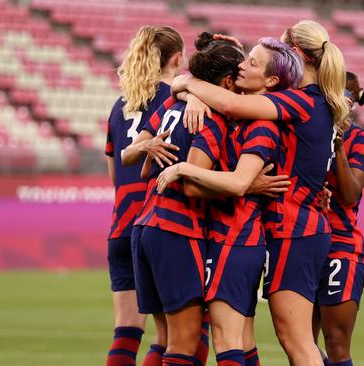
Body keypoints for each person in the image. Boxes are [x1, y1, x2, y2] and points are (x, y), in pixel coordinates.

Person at [171, 20, 349, 366]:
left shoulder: (299, 101)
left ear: (296, 55)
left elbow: (233, 105)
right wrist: (188, 90)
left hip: (295, 230)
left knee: (297, 342)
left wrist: (188, 83)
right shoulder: (317, 102)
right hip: (298, 226)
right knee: (291, 339)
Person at [156, 36, 302, 366]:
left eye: (252, 62)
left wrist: (183, 168)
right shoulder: (238, 114)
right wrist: (190, 91)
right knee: (242, 340)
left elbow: (238, 184)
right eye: (244, 59)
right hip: (230, 237)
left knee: (226, 339)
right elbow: (181, 84)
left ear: (270, 81)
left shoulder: (263, 126)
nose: (242, 66)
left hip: (237, 238)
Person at [131, 32, 245, 366]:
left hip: (147, 223)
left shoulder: (171, 103)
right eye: (237, 81)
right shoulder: (211, 118)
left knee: (168, 339)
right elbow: (194, 184)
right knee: (184, 343)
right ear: (225, 80)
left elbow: (144, 170)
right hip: (177, 228)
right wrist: (244, 185)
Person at [104, 25, 183, 366]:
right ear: (177, 58)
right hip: (161, 224)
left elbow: (114, 176)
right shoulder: (177, 100)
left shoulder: (119, 106)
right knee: (178, 337)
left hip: (121, 227)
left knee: (126, 333)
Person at [313, 72, 364, 366]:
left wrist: (338, 146)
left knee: (337, 342)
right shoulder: (308, 130)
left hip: (340, 245)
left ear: (350, 103)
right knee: (298, 341)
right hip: (300, 241)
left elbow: (351, 194)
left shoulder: (363, 140)